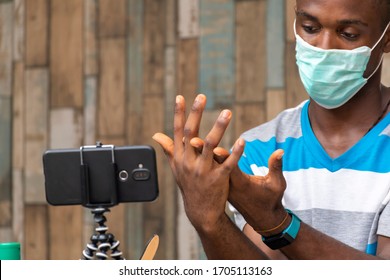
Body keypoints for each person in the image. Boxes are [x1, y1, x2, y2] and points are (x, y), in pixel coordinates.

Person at [153, 0, 390, 259]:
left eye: (348, 34)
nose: (324, 47)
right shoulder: (259, 148)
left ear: (386, 38)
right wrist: (209, 222)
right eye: (310, 27)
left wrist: (279, 224)